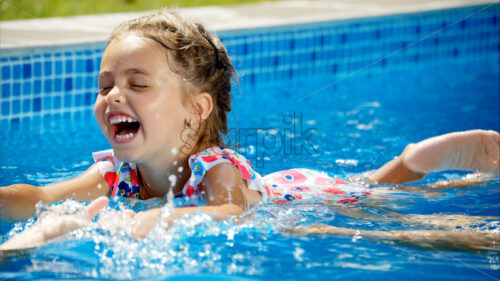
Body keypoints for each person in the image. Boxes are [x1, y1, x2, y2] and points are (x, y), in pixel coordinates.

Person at [0, 10, 499, 251]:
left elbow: (230, 210)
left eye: (137, 83)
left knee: (374, 201)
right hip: (283, 192)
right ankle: (410, 167)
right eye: (105, 83)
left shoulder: (215, 168)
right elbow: (39, 196)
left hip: (298, 195)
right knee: (369, 196)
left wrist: (136, 225)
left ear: (194, 110)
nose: (112, 96)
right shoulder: (118, 175)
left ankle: (409, 164)